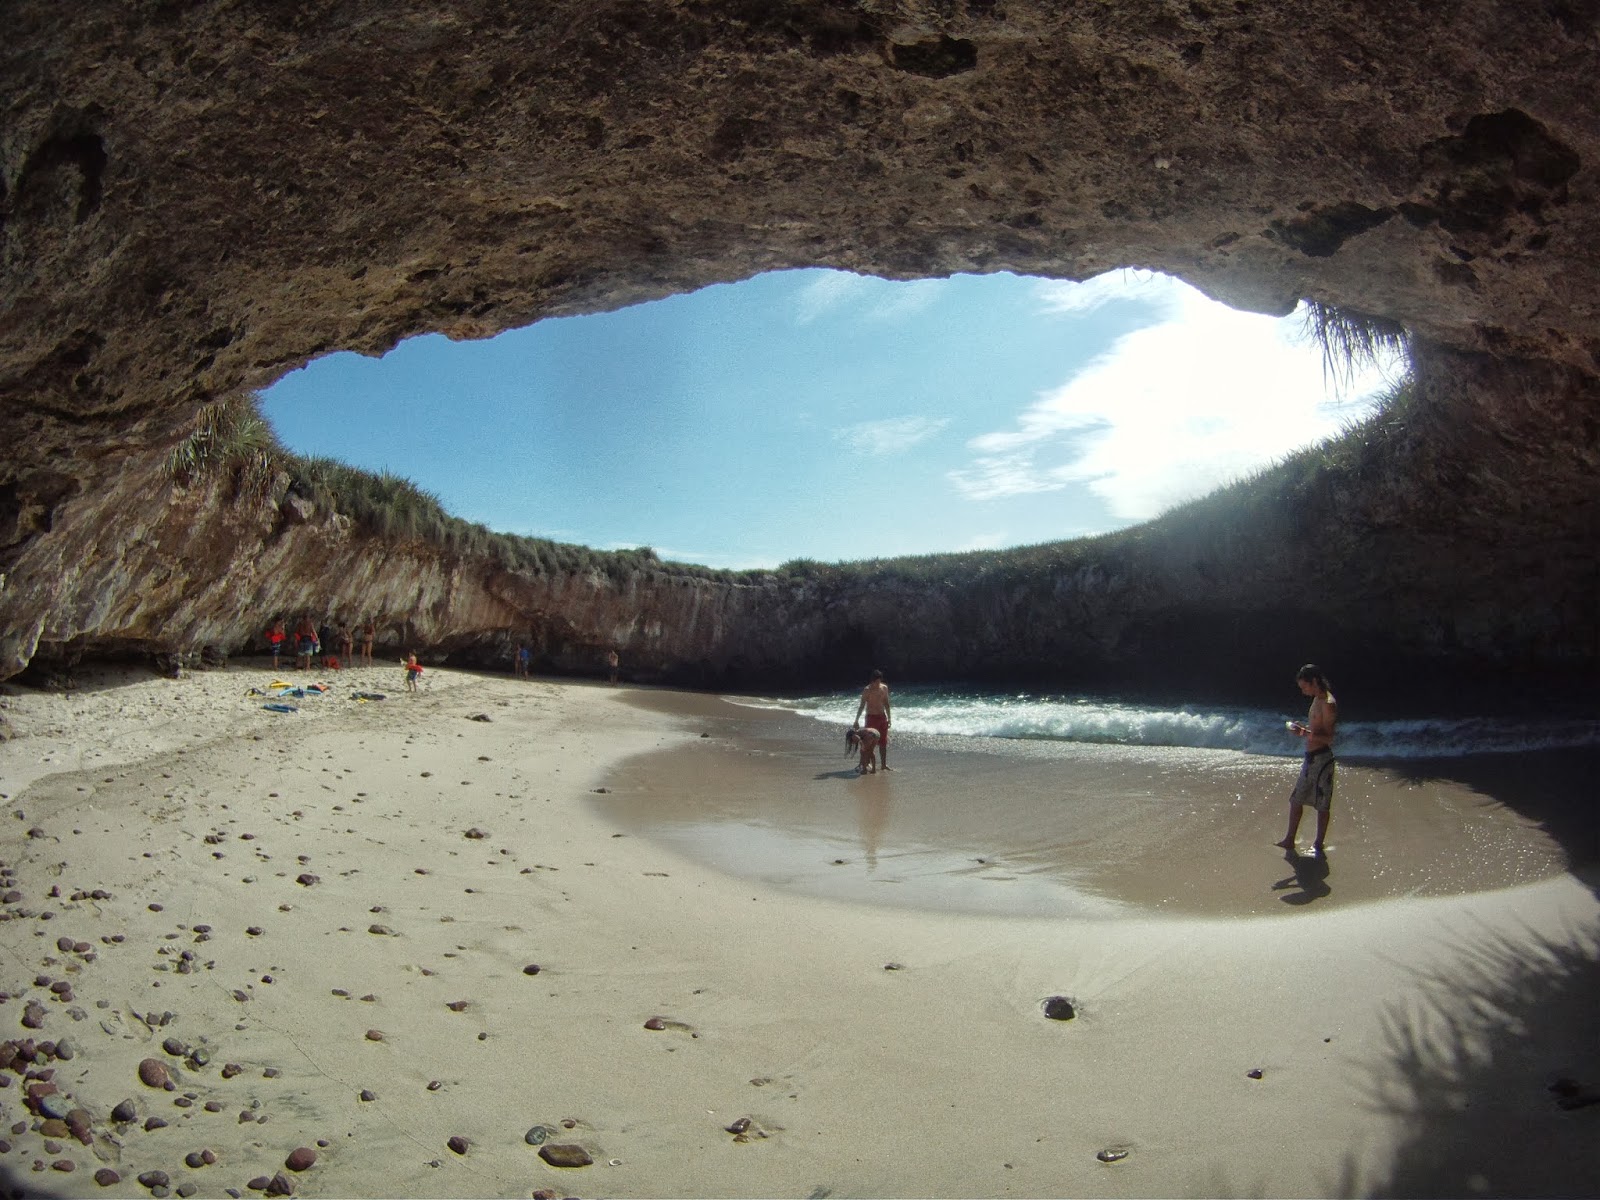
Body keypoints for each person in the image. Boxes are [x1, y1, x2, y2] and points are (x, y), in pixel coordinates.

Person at [1277, 664, 1338, 855]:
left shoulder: (1328, 703)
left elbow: (1329, 738)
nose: (1303, 691)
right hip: (1311, 757)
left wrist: (1304, 733)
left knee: (1322, 803)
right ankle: (1289, 839)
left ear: (1314, 682)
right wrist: (1303, 729)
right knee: (1297, 799)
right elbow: (1316, 731)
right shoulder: (1316, 700)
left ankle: (1318, 843)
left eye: (1305, 687)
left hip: (1322, 758)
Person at [852, 669, 892, 772]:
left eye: (879, 681)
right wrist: (856, 720)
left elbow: (887, 704)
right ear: (872, 681)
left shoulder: (884, 688)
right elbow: (861, 706)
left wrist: (889, 718)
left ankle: (883, 765)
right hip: (871, 718)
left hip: (882, 717)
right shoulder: (867, 690)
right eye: (876, 682)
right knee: (868, 743)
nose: (878, 684)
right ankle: (867, 764)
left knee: (883, 742)